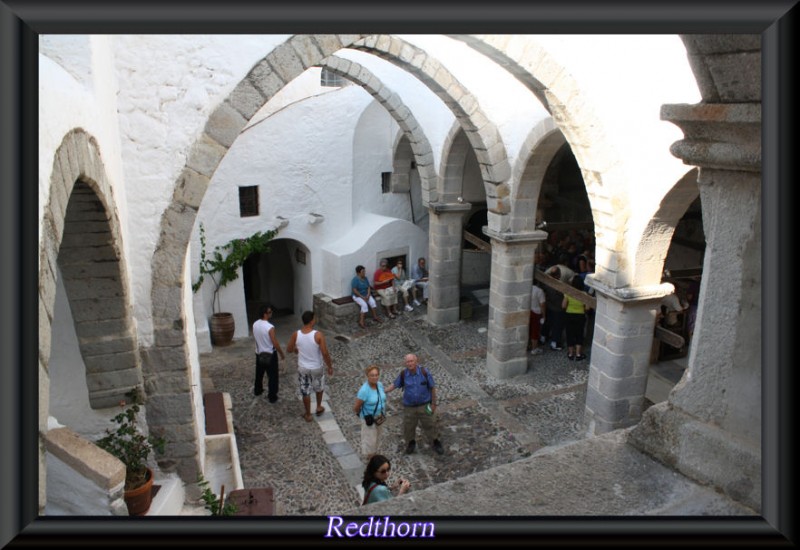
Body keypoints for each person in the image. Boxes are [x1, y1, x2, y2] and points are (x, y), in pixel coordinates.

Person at [385, 353, 444, 455]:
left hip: (425, 405)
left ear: (416, 361)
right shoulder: (404, 374)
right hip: (409, 407)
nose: (409, 363)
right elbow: (394, 385)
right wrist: (383, 391)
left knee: (431, 424)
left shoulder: (424, 372)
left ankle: (435, 442)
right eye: (407, 362)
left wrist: (434, 404)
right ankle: (411, 443)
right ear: (405, 363)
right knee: (409, 427)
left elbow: (432, 388)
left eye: (411, 361)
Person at [286, 310, 334, 423]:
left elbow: (289, 349)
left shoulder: (296, 334)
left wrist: (296, 349)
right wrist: (330, 366)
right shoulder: (318, 335)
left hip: (303, 368)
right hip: (316, 367)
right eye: (314, 318)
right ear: (312, 321)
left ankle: (308, 414)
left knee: (305, 391)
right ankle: (318, 406)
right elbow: (325, 353)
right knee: (319, 387)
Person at [252, 304, 285, 402]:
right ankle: (272, 396)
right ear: (265, 314)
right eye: (270, 312)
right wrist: (281, 353)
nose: (271, 313)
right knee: (273, 376)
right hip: (270, 354)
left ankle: (257, 390)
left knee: (259, 374)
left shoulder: (255, 324)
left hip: (259, 353)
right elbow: (274, 342)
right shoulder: (270, 327)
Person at [353, 365, 388, 459]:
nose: (375, 377)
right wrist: (362, 415)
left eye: (376, 375)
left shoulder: (379, 385)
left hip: (379, 417)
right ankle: (371, 458)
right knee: (369, 440)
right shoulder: (364, 391)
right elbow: (356, 407)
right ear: (367, 376)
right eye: (372, 375)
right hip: (369, 418)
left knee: (377, 437)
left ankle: (375, 454)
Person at [562, 276, 589, 361]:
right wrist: (582, 309)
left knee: (569, 333)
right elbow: (588, 308)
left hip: (569, 315)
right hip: (580, 316)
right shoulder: (584, 294)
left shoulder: (568, 293)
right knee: (579, 334)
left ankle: (570, 354)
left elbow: (563, 305)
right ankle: (578, 354)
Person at [529, 281, 546, 355]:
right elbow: (542, 304)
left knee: (528, 329)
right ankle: (534, 348)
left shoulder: (527, 288)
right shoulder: (539, 291)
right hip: (536, 312)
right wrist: (544, 315)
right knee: (535, 331)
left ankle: (528, 345)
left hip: (528, 311)